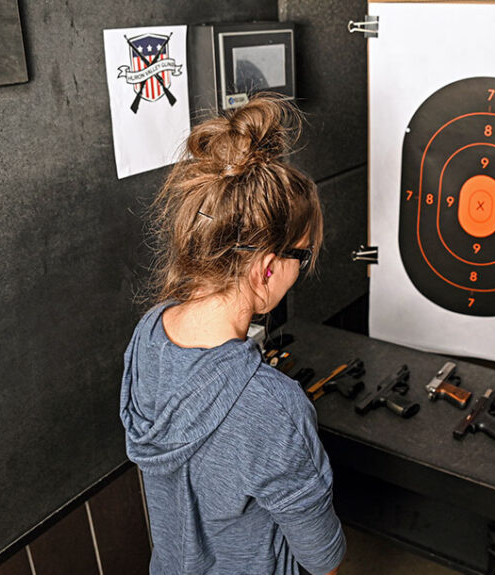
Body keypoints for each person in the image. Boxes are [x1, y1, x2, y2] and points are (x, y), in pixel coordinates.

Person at [120, 95, 346, 575]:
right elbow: (323, 558)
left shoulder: (148, 334)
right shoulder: (274, 407)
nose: (300, 271)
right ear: (267, 269)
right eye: (302, 256)